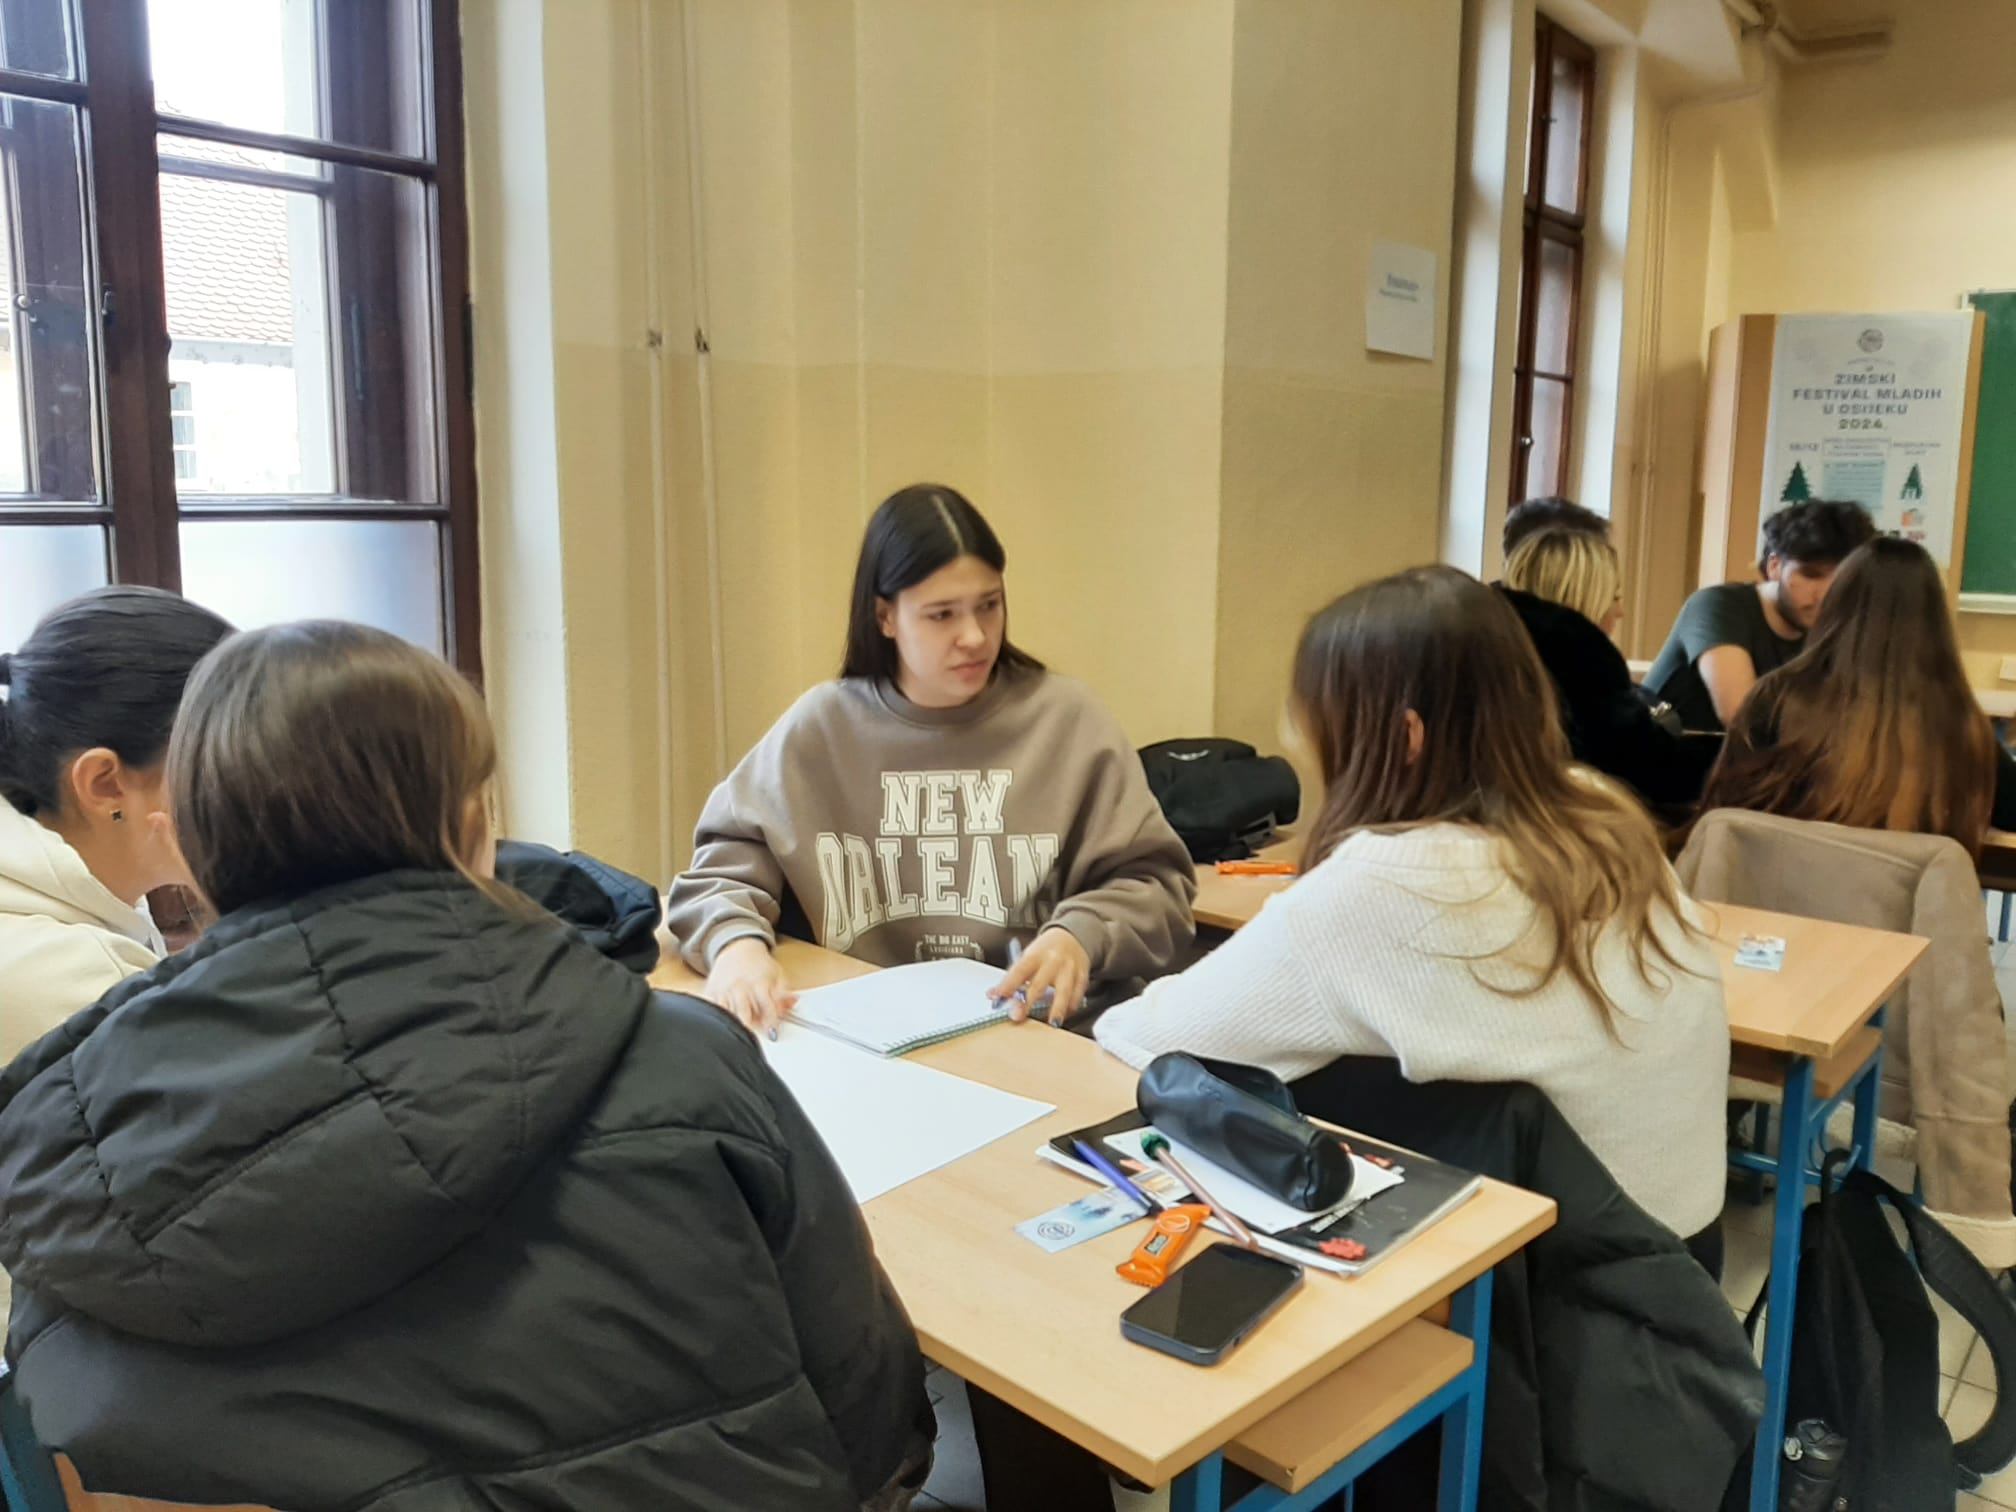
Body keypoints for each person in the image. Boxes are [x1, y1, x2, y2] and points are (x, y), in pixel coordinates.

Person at [0, 622, 933, 1511]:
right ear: (479, 826)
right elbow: (873, 1418)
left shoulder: (73, 1169)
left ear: (190, 851)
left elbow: (79, 1423)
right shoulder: (687, 1060)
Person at [1093, 566, 1731, 1251]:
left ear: (1406, 736)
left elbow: (1143, 1041)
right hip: (1683, 1256)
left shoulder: (1394, 879)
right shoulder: (1598, 811)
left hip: (1554, 1283)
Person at [666, 483, 1195, 1034]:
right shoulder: (822, 727)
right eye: (942, 615)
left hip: (1038, 1034)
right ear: (885, 617)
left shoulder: (1069, 722)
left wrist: (1079, 935)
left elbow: (1159, 891)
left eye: (989, 605)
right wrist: (737, 947)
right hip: (875, 1037)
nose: (975, 636)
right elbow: (718, 872)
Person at [0, 587, 233, 1058]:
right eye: (221, 761)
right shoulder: (77, 980)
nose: (255, 787)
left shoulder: (78, 898)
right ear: (104, 783)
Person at [1696, 535, 2016, 850]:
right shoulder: (1959, 722)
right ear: (1936, 620)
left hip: (1779, 881)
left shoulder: (1779, 696)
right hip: (1901, 887)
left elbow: (1725, 808)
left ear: (1837, 603)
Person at [1499, 525, 1719, 810]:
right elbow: (1646, 771)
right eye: (1614, 597)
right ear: (1582, 596)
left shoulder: (1492, 645)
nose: (1620, 611)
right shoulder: (1583, 660)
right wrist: (1733, 758)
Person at [1644, 499, 1876, 732]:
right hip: (1665, 751)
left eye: (1842, 580)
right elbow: (1740, 715)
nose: (1825, 594)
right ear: (1775, 566)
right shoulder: (1718, 605)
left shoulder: (1844, 623)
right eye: (1811, 575)